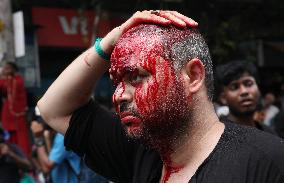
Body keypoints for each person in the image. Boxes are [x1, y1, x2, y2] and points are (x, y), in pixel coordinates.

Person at [37, 10, 284, 183]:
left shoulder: (268, 161)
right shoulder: (140, 153)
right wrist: (112, 40)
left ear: (193, 76)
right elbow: (53, 109)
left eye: (136, 77)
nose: (119, 95)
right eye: (117, 82)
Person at [215, 61, 277, 134]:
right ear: (223, 98)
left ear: (258, 89)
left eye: (249, 84)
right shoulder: (217, 136)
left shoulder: (270, 134)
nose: (244, 91)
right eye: (234, 87)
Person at [0, 62, 31, 156]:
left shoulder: (18, 80)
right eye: (5, 68)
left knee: (21, 137)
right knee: (7, 135)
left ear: (14, 69)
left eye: (8, 68)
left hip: (18, 113)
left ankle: (24, 157)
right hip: (7, 112)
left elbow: (9, 85)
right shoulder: (5, 80)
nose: (6, 70)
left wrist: (3, 76)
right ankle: (9, 155)